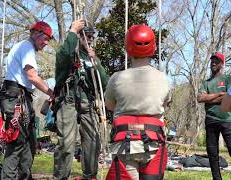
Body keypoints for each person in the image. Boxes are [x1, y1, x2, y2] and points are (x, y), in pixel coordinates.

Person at [105, 24, 169, 180]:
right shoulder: (163, 78)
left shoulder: (116, 78)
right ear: (153, 47)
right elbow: (164, 106)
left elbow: (110, 106)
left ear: (128, 47)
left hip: (125, 144)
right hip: (154, 144)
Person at [53, 19, 109, 180]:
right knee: (66, 144)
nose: (90, 39)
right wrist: (73, 31)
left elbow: (104, 83)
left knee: (93, 141)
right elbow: (64, 55)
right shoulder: (69, 53)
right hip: (68, 100)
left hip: (87, 102)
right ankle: (61, 177)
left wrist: (96, 63)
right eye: (86, 36)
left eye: (92, 36)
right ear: (78, 37)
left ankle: (90, 175)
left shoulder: (93, 59)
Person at [0, 21, 54, 180]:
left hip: (20, 99)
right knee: (16, 145)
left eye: (48, 40)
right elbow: (31, 76)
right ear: (35, 34)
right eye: (45, 38)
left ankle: (25, 176)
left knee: (29, 144)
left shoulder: (20, 47)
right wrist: (52, 93)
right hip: (17, 100)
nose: (46, 43)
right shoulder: (27, 47)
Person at [198, 52, 231, 180]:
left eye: (216, 61)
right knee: (212, 154)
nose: (213, 63)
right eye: (212, 60)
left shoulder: (228, 79)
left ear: (221, 64)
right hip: (210, 121)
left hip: (227, 120)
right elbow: (200, 98)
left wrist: (209, 98)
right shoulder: (205, 82)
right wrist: (219, 95)